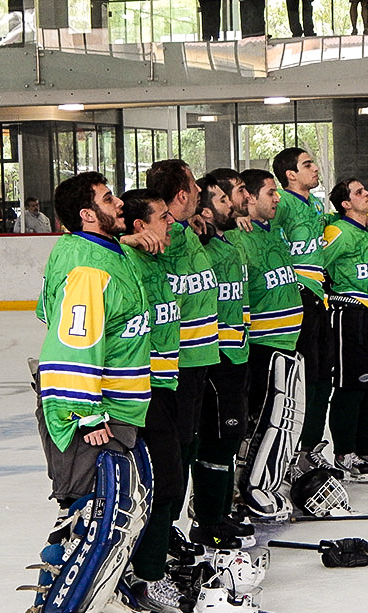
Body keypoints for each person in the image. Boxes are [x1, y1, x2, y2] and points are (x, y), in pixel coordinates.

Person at [25, 172, 155, 613]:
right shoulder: (86, 268)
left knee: (120, 510)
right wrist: (84, 414)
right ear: (86, 214)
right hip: (92, 414)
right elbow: (70, 348)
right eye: (108, 198)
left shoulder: (100, 253)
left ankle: (84, 602)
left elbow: (52, 314)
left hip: (119, 409)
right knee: (95, 516)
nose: (119, 203)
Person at [119, 188, 195, 613]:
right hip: (138, 389)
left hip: (166, 383)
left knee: (169, 480)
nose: (172, 223)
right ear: (139, 226)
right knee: (160, 484)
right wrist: (122, 242)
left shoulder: (158, 255)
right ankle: (146, 579)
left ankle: (153, 563)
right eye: (163, 217)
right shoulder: (124, 258)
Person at [144, 159, 225, 549]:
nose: (199, 192)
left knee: (187, 449)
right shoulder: (159, 239)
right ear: (181, 193)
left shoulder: (185, 230)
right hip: (177, 365)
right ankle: (160, 535)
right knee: (172, 456)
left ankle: (170, 529)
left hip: (200, 360)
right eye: (194, 186)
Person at [229, 168, 304, 517]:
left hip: (287, 341)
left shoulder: (272, 230)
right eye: (270, 193)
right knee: (261, 420)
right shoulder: (239, 236)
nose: (277, 198)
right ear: (250, 198)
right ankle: (247, 487)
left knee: (280, 418)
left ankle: (266, 477)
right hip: (262, 344)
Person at [193, 174, 256, 547]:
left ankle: (220, 512)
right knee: (216, 442)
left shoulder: (229, 242)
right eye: (221, 200)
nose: (231, 204)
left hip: (238, 353)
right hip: (217, 358)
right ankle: (208, 521)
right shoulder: (201, 251)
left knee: (229, 441)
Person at [271, 147, 338, 478]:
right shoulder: (283, 202)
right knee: (305, 379)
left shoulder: (314, 203)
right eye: (307, 164)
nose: (315, 169)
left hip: (320, 296)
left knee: (323, 377)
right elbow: (261, 225)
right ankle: (293, 454)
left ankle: (311, 448)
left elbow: (323, 226)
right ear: (290, 175)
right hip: (298, 296)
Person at [321, 178, 368, 481]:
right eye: (359, 192)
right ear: (346, 203)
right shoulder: (339, 231)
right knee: (352, 387)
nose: (367, 194)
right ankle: (345, 452)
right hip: (351, 315)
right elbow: (318, 262)